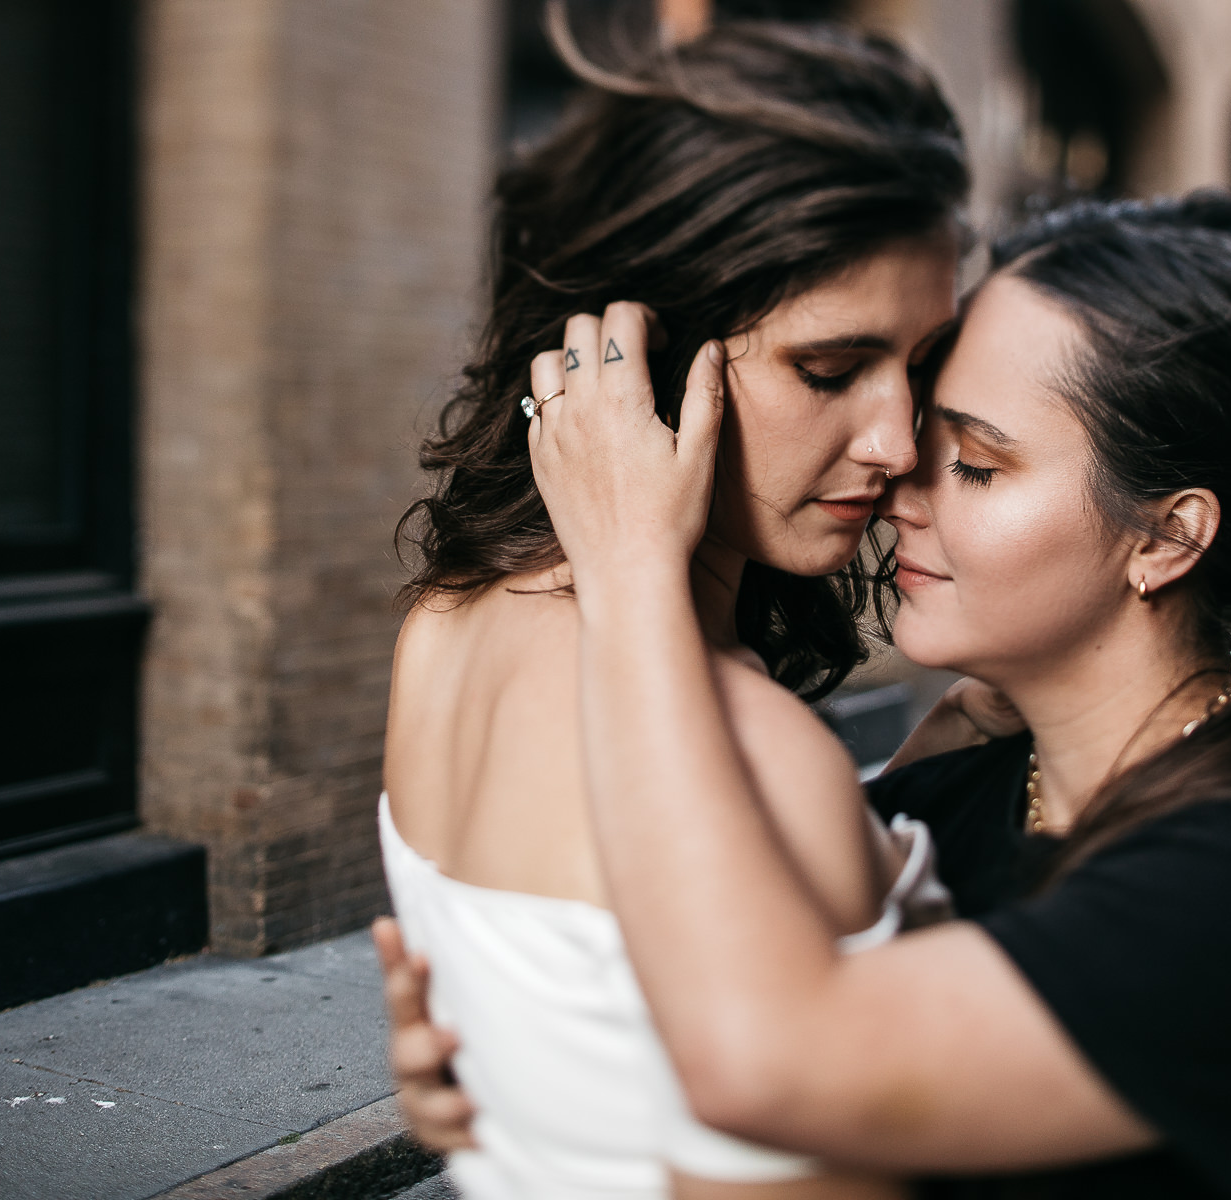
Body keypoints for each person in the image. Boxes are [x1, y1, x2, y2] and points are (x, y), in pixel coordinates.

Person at [391, 192, 1231, 1197]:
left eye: (978, 463)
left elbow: (765, 1062)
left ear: (1166, 534)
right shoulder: (957, 800)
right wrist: (519, 1055)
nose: (898, 475)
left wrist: (634, 569)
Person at [376, 15, 976, 1199]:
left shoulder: (441, 632)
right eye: (828, 368)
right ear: (644, 355)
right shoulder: (756, 758)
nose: (899, 441)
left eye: (921, 367)